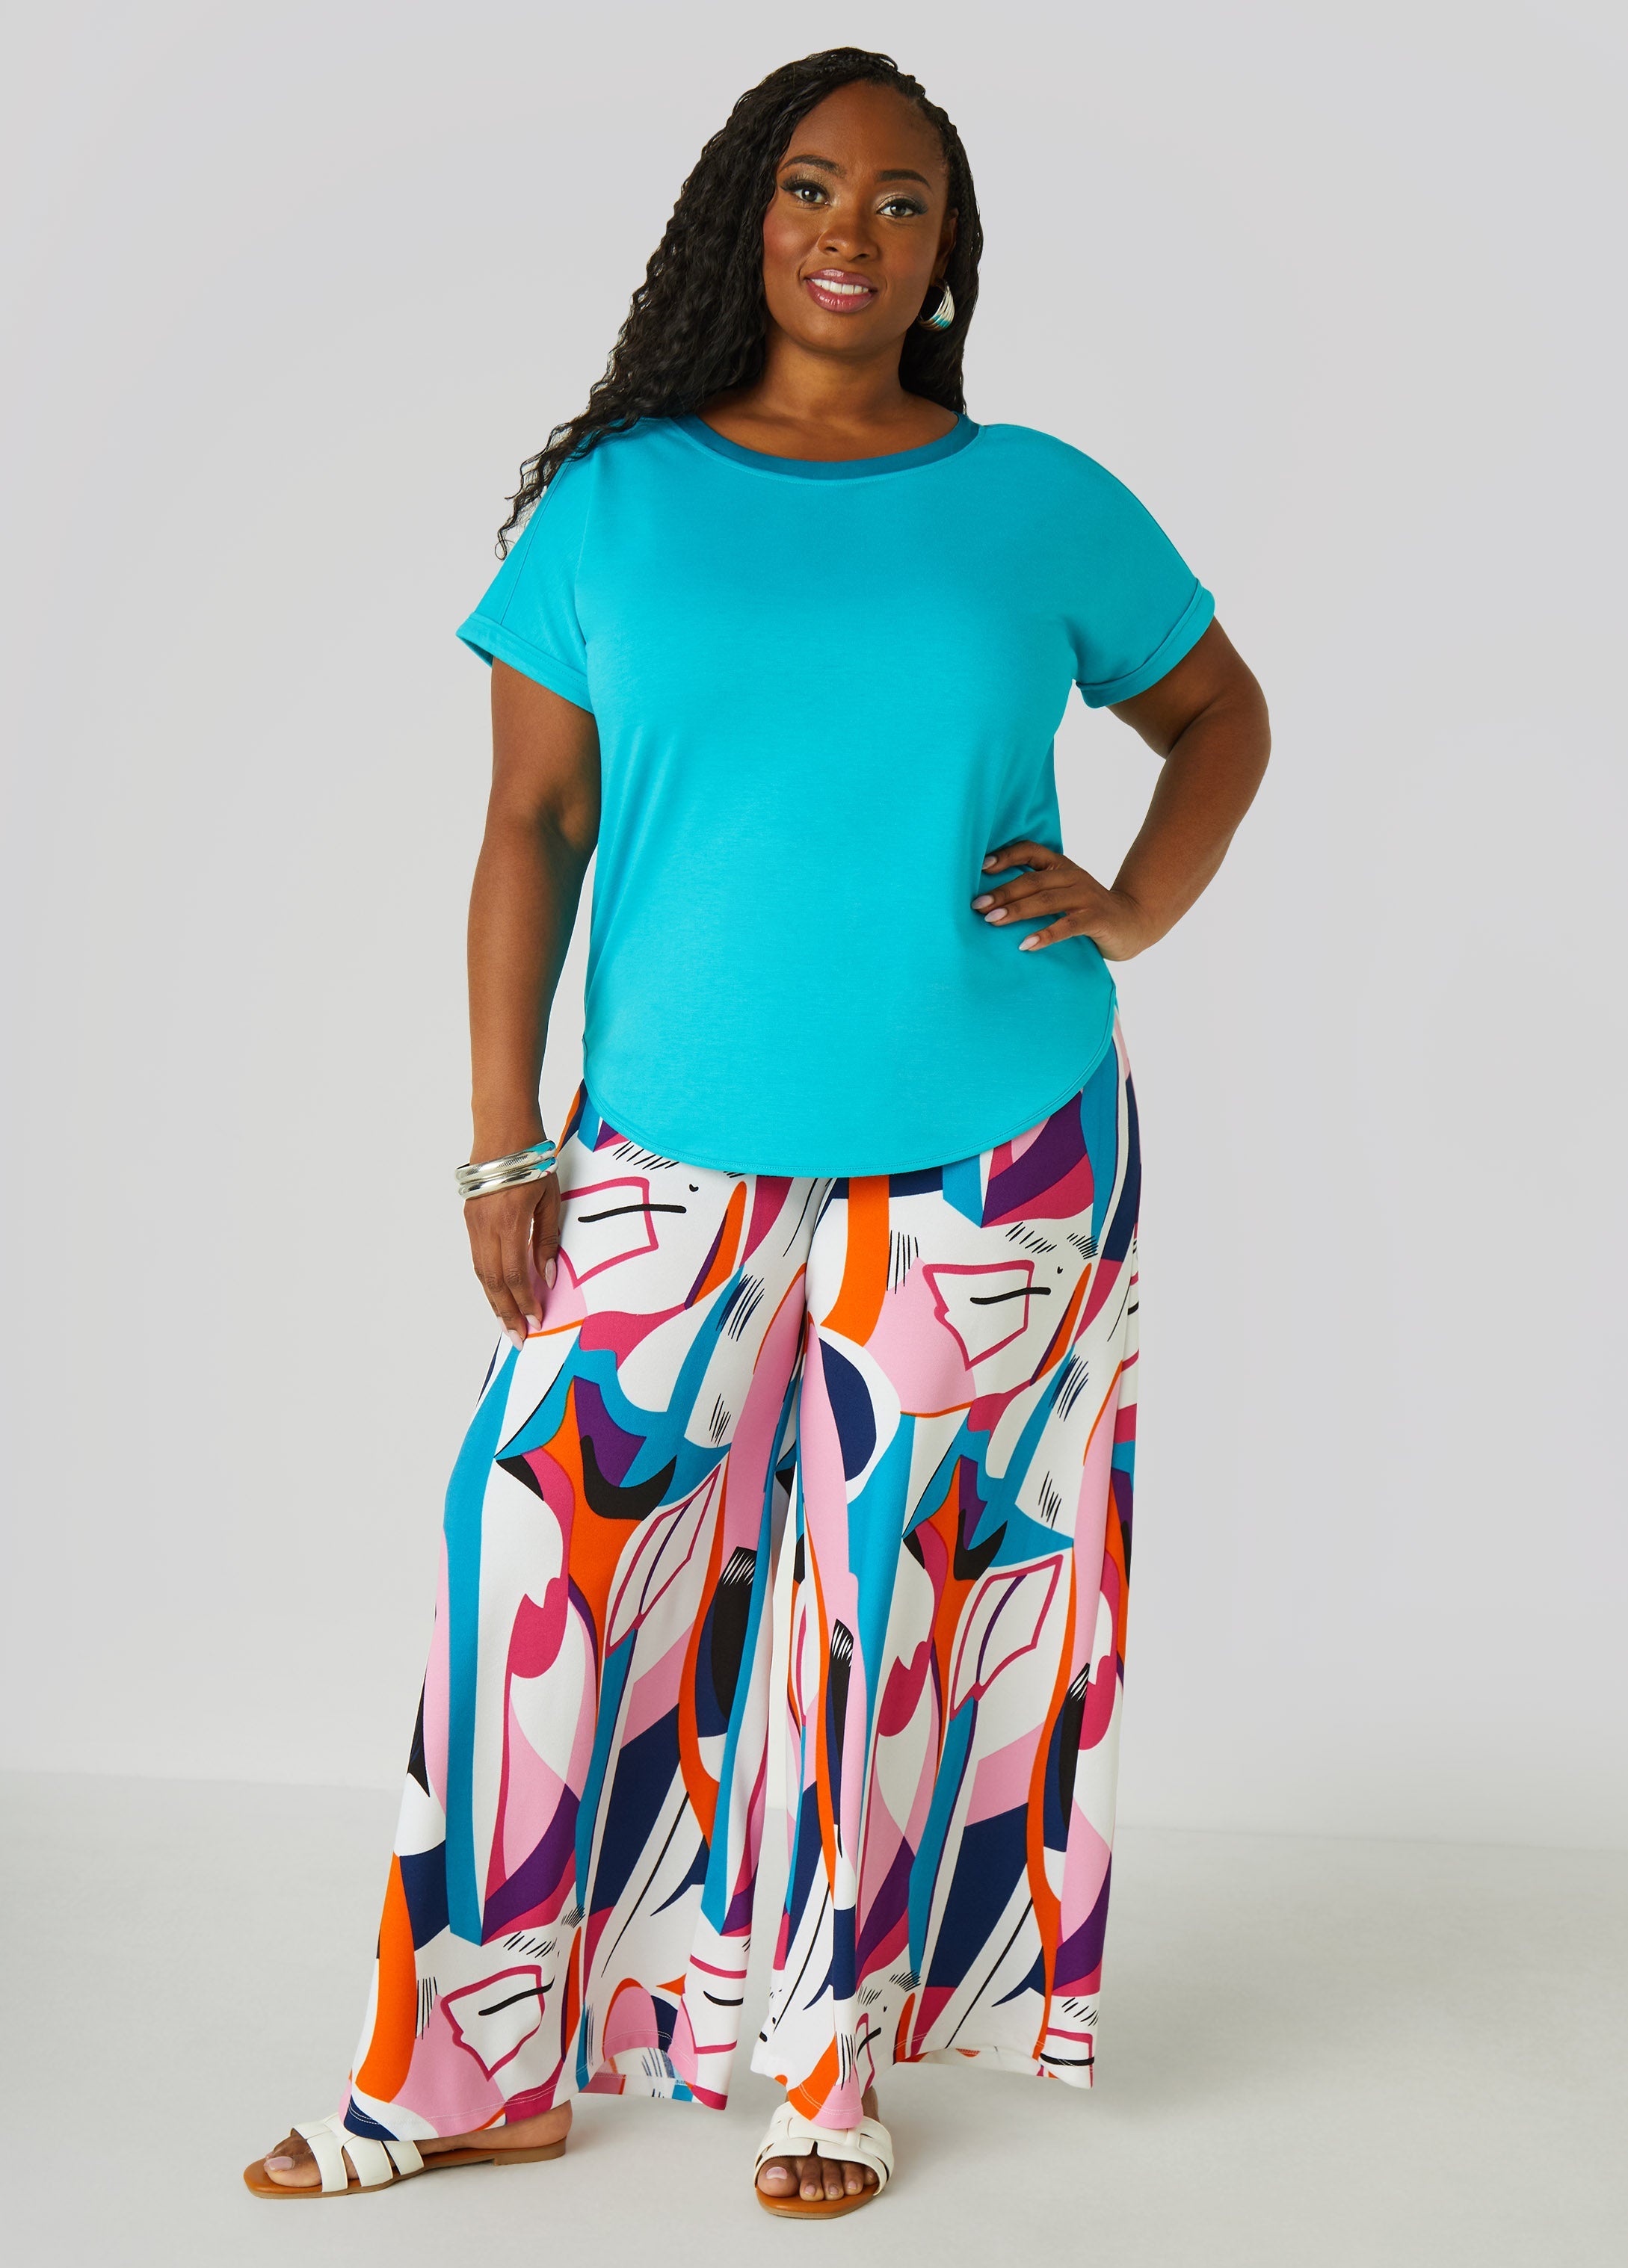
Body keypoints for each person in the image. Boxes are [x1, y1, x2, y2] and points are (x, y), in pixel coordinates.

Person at [245, 45, 1268, 2217]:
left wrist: (1135, 904)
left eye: (903, 202)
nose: (851, 232)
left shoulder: (1036, 499)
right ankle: (469, 2066)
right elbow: (531, 824)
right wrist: (502, 1142)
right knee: (533, 1550)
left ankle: (823, 2069)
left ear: (949, 253)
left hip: (996, 1142)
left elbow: (1215, 710)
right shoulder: (615, 504)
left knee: (874, 1600)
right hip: (666, 1145)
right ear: (746, 213)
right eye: (812, 187)